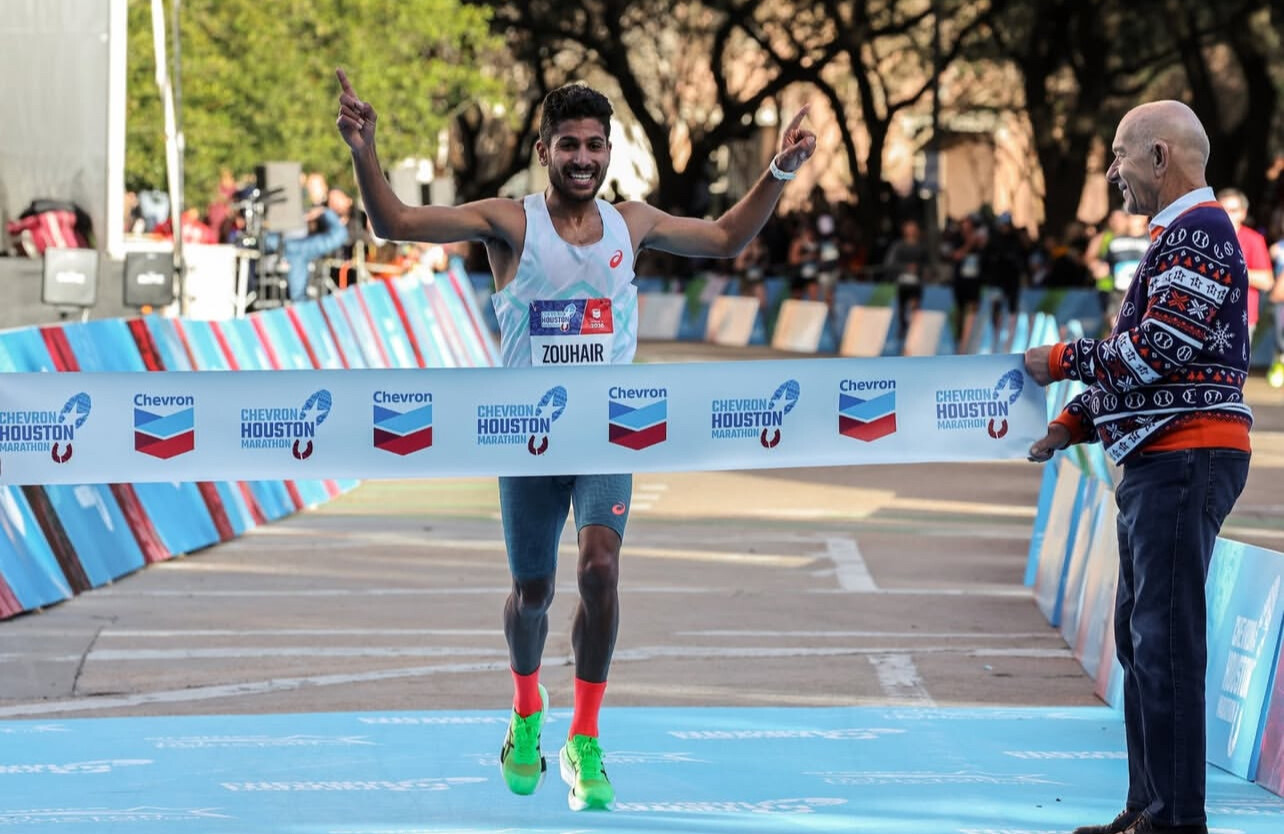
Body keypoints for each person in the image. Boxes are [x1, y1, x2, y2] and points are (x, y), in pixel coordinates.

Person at [335, 69, 816, 811]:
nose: (583, 157)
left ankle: (584, 738)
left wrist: (779, 170)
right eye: (569, 145)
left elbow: (725, 238)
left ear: (609, 151)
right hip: (526, 440)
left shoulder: (633, 223)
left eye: (595, 145)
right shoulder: (509, 223)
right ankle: (527, 709)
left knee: (600, 569)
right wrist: (363, 149)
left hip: (606, 439)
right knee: (533, 594)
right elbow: (394, 221)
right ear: (544, 152)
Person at [1024, 100, 1252, 834]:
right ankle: (1149, 808)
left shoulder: (1199, 232)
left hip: (1186, 457)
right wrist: (1074, 421)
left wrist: (1063, 361)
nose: (1113, 171)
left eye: (1121, 154)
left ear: (1160, 156)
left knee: (1165, 641)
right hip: (1166, 456)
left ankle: (1174, 819)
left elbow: (1154, 353)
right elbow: (1151, 363)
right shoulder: (1179, 236)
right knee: (1142, 638)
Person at [1216, 187, 1274, 338]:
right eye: (1222, 209)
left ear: (1243, 213)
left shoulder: (1254, 239)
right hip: (1209, 315)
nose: (1227, 214)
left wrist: (1232, 271)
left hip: (1240, 318)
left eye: (1233, 210)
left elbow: (1267, 281)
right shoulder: (1207, 236)